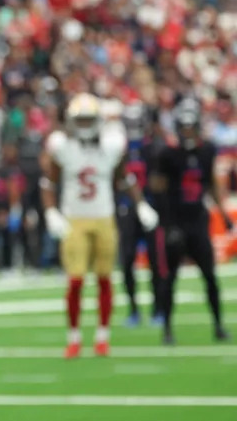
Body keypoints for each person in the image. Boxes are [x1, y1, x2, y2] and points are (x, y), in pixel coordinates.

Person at [42, 94, 160, 359]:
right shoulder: (62, 146)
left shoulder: (112, 145)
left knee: (105, 278)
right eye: (80, 120)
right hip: (75, 218)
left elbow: (125, 177)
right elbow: (48, 183)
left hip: (104, 216)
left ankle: (102, 337)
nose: (84, 125)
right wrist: (51, 212)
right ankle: (74, 337)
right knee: (76, 280)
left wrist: (140, 204)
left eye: (88, 120)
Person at [152, 98, 232, 345]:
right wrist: (167, 225)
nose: (187, 132)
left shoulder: (207, 150)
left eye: (191, 127)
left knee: (210, 276)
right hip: (175, 222)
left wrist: (225, 216)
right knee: (170, 279)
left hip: (198, 222)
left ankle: (218, 325)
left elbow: (210, 185)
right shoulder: (167, 154)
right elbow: (158, 190)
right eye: (183, 127)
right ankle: (166, 329)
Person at [117, 102, 165, 327]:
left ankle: (158, 308)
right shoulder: (119, 149)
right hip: (127, 209)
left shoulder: (154, 148)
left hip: (151, 208)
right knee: (127, 260)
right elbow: (117, 179)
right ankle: (134, 309)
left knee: (156, 260)